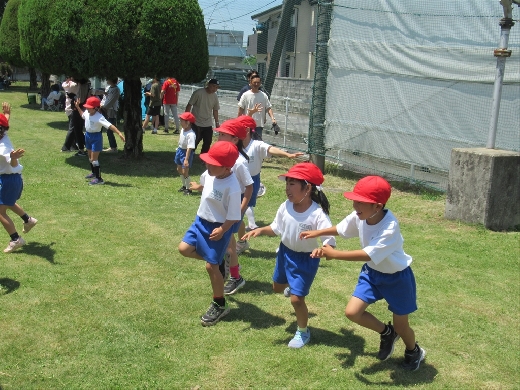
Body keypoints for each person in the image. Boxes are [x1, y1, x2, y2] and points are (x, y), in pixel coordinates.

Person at [300, 176, 426, 370]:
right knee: (352, 312)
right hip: (372, 275)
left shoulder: (389, 227)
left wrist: (334, 254)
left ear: (377, 206)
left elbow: (366, 254)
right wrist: (316, 233)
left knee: (402, 325)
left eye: (360, 202)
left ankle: (413, 350)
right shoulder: (361, 215)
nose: (354, 205)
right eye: (354, 200)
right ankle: (387, 333)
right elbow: (342, 229)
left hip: (397, 278)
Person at [241, 162, 335, 348]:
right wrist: (259, 230)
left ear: (307, 188)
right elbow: (276, 228)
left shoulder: (317, 214)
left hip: (305, 260)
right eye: (287, 184)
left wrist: (323, 250)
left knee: (296, 299)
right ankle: (293, 288)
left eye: (292, 184)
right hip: (285, 254)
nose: (287, 188)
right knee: (277, 287)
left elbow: (329, 241)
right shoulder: (286, 206)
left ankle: (303, 332)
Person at [178, 141, 241, 326]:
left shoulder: (233, 186)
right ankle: (219, 259)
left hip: (218, 228)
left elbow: (234, 216)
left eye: (212, 163)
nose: (207, 165)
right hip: (199, 222)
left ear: (227, 167)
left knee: (210, 267)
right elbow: (207, 186)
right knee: (183, 249)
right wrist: (198, 186)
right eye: (208, 161)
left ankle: (219, 304)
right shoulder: (210, 174)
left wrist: (222, 230)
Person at [233, 114, 304, 256]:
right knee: (236, 214)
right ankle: (241, 242)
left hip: (250, 184)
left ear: (247, 130)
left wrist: (287, 155)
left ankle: (237, 243)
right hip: (235, 181)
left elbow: (271, 149)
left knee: (236, 215)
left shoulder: (257, 145)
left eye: (238, 127)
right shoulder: (235, 144)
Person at [211, 120, 254, 295]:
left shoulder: (239, 162)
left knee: (229, 244)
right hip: (223, 205)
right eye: (219, 134)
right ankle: (232, 273)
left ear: (235, 140)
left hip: (234, 205)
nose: (219, 137)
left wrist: (241, 209)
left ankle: (235, 276)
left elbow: (249, 187)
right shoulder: (222, 157)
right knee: (229, 244)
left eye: (223, 135)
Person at [0, 102, 38, 253]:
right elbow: (5, 125)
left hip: (8, 180)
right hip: (12, 179)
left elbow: (12, 161)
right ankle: (28, 220)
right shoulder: (4, 134)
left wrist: (14, 156)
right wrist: (6, 115)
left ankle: (15, 239)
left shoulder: (3, 147)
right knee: (8, 203)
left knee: (0, 211)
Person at [75, 97, 125, 185]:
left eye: (89, 107)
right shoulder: (87, 112)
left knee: (94, 159)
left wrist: (119, 133)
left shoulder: (99, 117)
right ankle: (94, 173)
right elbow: (83, 116)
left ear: (95, 108)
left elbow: (110, 126)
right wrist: (78, 107)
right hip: (87, 135)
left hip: (96, 137)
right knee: (90, 157)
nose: (87, 108)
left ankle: (99, 179)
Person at [185, 79, 220, 154]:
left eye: (217, 87)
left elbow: (215, 110)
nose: (215, 89)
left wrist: (217, 122)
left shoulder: (215, 96)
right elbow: (189, 105)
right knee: (195, 140)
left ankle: (203, 157)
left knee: (208, 141)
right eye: (213, 86)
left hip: (208, 123)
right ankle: (190, 155)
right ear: (208, 85)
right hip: (196, 122)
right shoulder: (198, 93)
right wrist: (186, 119)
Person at [237, 74, 276, 140]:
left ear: (260, 83)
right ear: (250, 83)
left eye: (258, 82)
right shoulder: (245, 95)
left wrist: (273, 118)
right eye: (254, 82)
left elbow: (268, 108)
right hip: (247, 125)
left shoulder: (263, 95)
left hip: (259, 125)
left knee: (258, 145)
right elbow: (240, 109)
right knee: (247, 145)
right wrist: (238, 122)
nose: (256, 84)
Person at [175, 112, 197, 195]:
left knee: (185, 171)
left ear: (188, 123)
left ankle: (189, 189)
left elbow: (189, 148)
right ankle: (184, 185)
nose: (180, 122)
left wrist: (186, 159)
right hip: (180, 150)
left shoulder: (191, 134)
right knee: (179, 169)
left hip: (186, 153)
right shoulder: (182, 130)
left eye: (182, 121)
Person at [71, 78, 92, 157]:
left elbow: (78, 99)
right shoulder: (88, 86)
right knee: (84, 129)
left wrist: (75, 103)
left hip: (78, 109)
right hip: (85, 108)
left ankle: (81, 149)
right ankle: (87, 147)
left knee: (78, 130)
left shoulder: (79, 87)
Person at [100, 78, 120, 153]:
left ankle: (113, 147)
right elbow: (104, 98)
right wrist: (101, 104)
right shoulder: (108, 88)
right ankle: (99, 145)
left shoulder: (116, 89)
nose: (106, 80)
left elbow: (112, 100)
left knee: (109, 129)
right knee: (101, 128)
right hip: (104, 108)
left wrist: (104, 107)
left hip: (111, 110)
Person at [60, 76, 79, 152]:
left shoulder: (65, 85)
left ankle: (73, 146)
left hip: (68, 108)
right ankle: (65, 147)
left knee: (74, 128)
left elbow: (63, 84)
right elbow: (75, 85)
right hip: (72, 108)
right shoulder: (73, 85)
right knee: (72, 128)